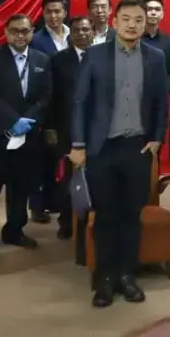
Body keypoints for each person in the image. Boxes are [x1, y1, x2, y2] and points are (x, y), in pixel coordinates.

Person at [69, 0, 169, 308]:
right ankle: (105, 279)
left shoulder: (156, 57)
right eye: (126, 18)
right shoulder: (96, 56)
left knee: (131, 216)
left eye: (138, 20)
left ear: (145, 23)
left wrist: (156, 139)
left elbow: (160, 103)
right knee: (105, 217)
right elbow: (80, 102)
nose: (132, 25)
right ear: (114, 21)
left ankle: (128, 276)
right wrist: (78, 144)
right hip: (102, 148)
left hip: (136, 148)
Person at [0, 14, 52, 257]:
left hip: (27, 139)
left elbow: (46, 96)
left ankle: (14, 231)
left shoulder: (42, 60)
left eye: (25, 31)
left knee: (20, 190)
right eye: (15, 31)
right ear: (6, 33)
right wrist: (13, 121)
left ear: (31, 32)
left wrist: (28, 120)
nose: (20, 35)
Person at [50, 16, 94, 243]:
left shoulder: (102, 57)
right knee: (70, 179)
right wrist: (52, 132)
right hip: (68, 129)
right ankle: (66, 222)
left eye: (86, 30)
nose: (82, 34)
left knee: (95, 179)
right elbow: (53, 98)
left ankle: (90, 222)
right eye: (77, 30)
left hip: (96, 129)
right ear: (71, 35)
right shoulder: (59, 60)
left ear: (93, 33)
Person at [28, 0, 69, 224]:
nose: (53, 16)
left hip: (70, 107)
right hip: (46, 107)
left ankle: (56, 201)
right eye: (48, 12)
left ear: (64, 12)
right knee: (42, 159)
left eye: (57, 11)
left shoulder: (76, 34)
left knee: (63, 158)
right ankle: (37, 205)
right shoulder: (35, 39)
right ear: (42, 14)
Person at [140, 0, 170, 89]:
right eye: (149, 9)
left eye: (157, 9)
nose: (153, 13)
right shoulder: (133, 38)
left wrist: (163, 94)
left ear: (162, 14)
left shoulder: (169, 42)